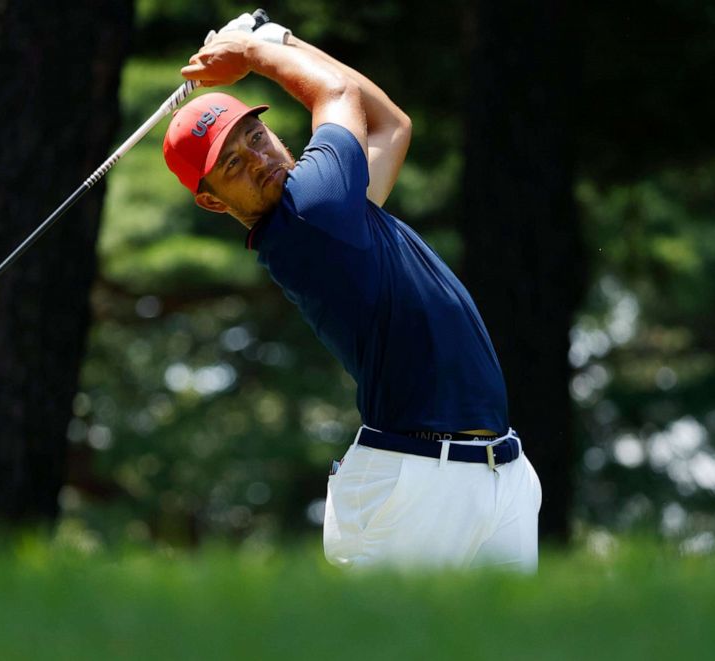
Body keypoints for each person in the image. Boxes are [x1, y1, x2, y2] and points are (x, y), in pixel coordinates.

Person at [162, 18, 542, 571]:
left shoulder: (335, 209)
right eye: (233, 165)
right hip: (415, 482)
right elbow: (336, 93)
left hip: (495, 470)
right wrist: (253, 48)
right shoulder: (312, 213)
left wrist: (281, 40)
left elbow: (390, 126)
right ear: (215, 201)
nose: (261, 160)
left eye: (255, 137)